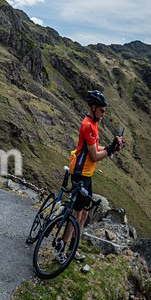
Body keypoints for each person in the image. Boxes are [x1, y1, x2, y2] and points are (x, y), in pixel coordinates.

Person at [62, 90, 124, 257]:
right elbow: (95, 156)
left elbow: (95, 148)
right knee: (76, 214)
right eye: (102, 110)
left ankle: (72, 248)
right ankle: (62, 248)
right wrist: (111, 149)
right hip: (80, 174)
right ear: (94, 107)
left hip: (87, 174)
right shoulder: (88, 125)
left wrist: (112, 147)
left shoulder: (94, 124)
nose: (103, 114)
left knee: (84, 213)